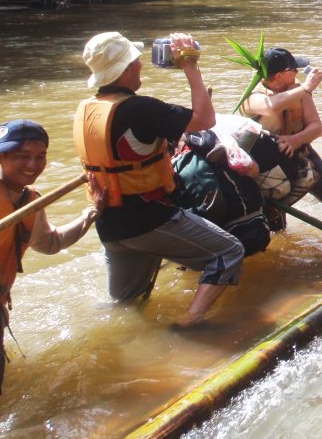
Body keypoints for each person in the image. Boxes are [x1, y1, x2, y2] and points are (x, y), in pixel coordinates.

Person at [74, 31, 245, 328]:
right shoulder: (140, 109)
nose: (141, 66)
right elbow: (205, 120)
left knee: (127, 304)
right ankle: (190, 321)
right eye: (136, 61)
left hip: (111, 226)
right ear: (126, 68)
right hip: (149, 219)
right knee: (229, 252)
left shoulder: (86, 108)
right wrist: (190, 65)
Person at [0, 120, 103, 414]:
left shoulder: (31, 202)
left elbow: (50, 243)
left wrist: (91, 214)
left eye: (40, 156)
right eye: (22, 156)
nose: (33, 164)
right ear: (0, 157)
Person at [241, 47, 322, 234]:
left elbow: (316, 127)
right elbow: (270, 107)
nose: (297, 73)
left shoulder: (298, 91)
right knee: (276, 225)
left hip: (299, 151)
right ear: (279, 76)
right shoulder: (252, 97)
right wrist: (305, 88)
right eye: (293, 70)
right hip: (266, 164)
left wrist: (295, 140)